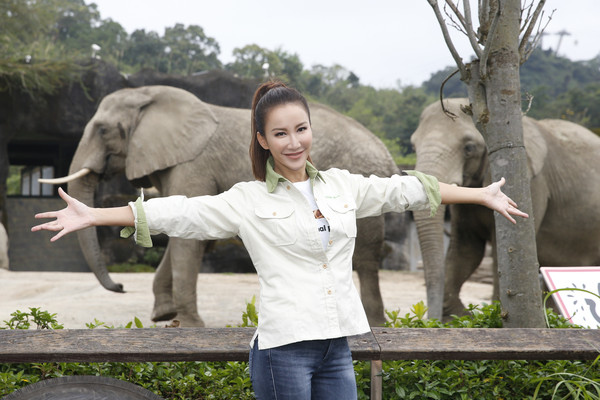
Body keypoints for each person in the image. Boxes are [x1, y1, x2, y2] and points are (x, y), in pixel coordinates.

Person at [32, 80, 528, 399]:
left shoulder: (342, 186)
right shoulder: (247, 199)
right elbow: (179, 212)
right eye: (281, 134)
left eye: (301, 129)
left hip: (338, 347)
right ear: (264, 141)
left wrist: (479, 194)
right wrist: (94, 214)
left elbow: (409, 187)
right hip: (282, 351)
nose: (295, 142)